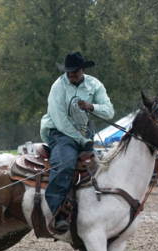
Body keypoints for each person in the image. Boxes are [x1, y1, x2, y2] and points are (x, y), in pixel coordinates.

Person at [40, 52, 114, 234]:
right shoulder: (58, 86)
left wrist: (91, 107)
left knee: (103, 168)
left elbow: (109, 112)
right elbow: (60, 120)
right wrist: (84, 141)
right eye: (69, 72)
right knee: (65, 164)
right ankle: (57, 213)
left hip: (84, 132)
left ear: (82, 70)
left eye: (75, 72)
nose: (71, 75)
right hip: (59, 132)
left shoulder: (94, 85)